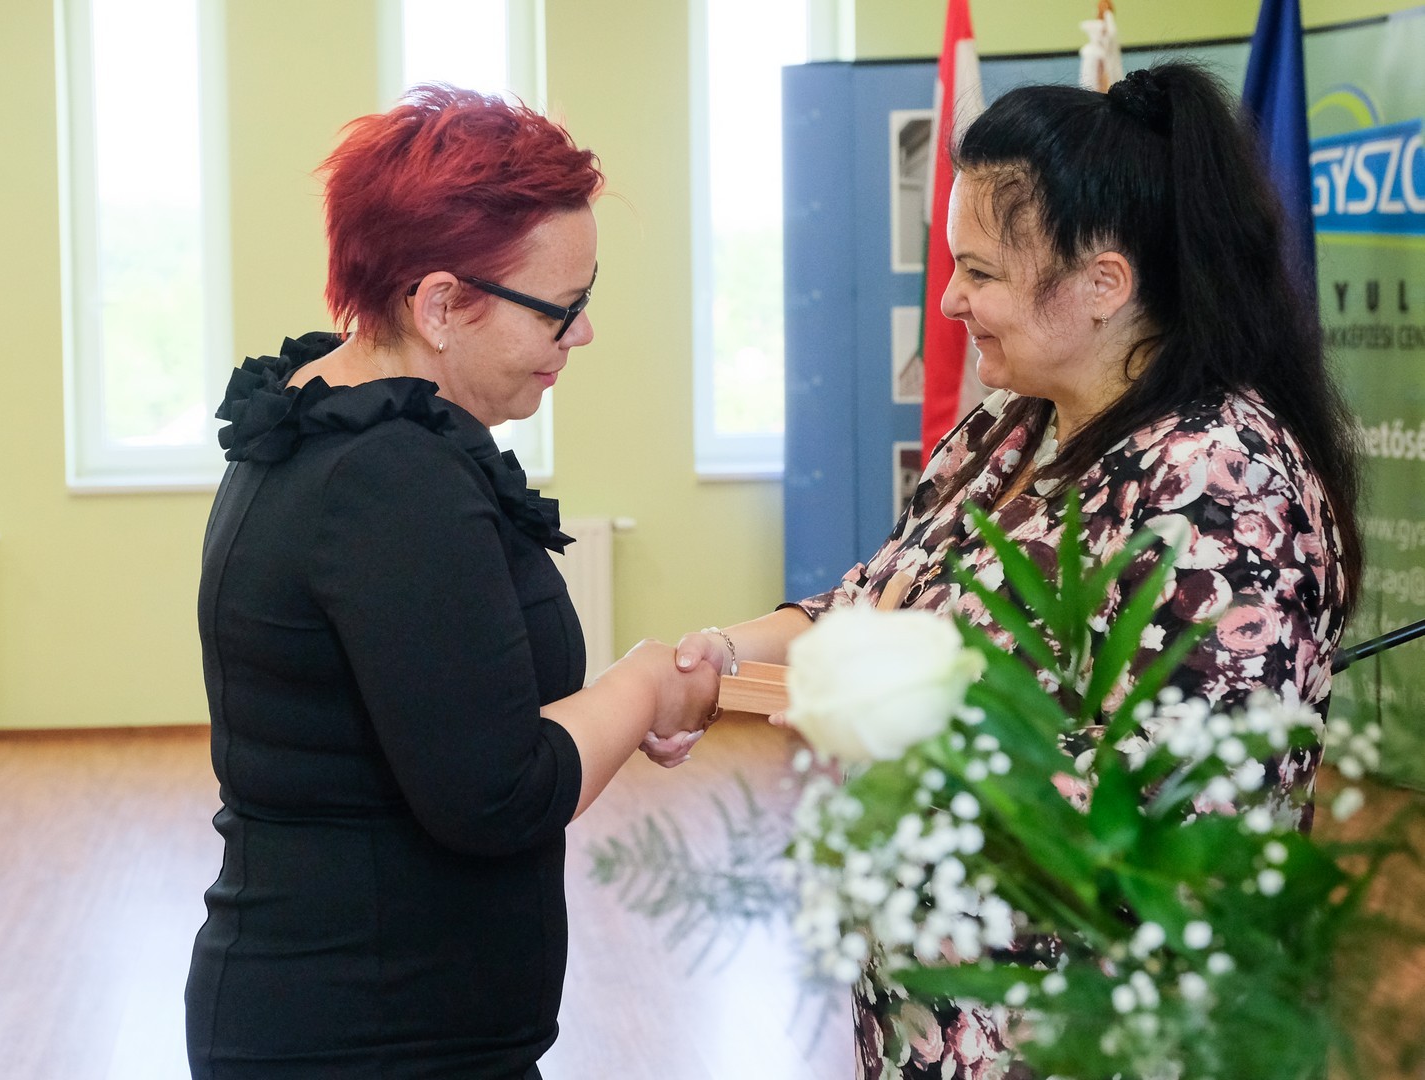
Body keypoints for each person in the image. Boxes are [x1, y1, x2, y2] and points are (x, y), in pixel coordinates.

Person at [674, 62, 1363, 1079]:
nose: (950, 300)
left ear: (1104, 285)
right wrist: (716, 658)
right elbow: (878, 598)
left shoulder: (1222, 486)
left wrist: (904, 734)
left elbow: (1185, 827)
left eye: (981, 272)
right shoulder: (1010, 431)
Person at [185, 86, 718, 1080]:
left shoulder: (326, 415)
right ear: (437, 306)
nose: (582, 335)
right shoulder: (387, 479)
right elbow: (498, 794)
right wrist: (644, 684)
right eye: (562, 309)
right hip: (371, 1036)